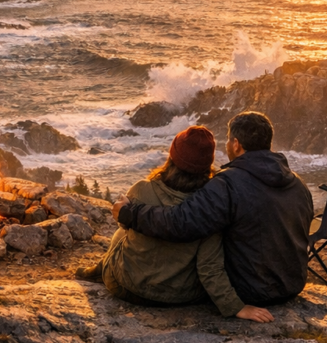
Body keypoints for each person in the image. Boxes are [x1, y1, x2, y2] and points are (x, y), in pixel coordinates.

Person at [113, 111, 313, 308]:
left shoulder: (228, 184)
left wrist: (130, 214)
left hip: (251, 290)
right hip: (292, 284)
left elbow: (181, 222)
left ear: (236, 144)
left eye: (228, 140)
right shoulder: (298, 184)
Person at [80, 125, 274, 322]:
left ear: (172, 157)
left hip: (128, 288)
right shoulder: (210, 206)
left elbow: (124, 226)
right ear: (208, 163)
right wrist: (235, 307)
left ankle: (97, 270)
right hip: (183, 296)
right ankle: (96, 269)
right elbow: (209, 266)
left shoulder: (141, 190)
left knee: (121, 233)